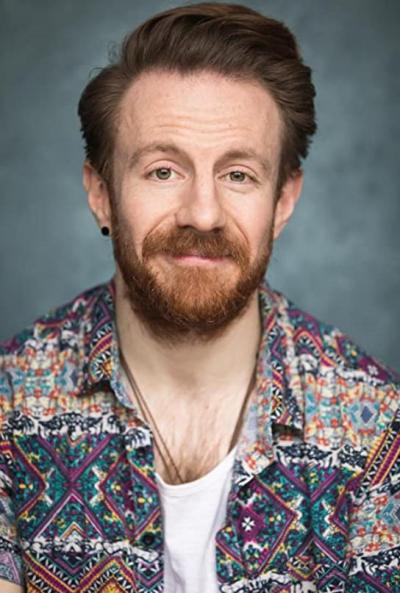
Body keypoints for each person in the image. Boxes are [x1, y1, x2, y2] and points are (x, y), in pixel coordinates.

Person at [1, 2, 399, 592]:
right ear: (101, 193)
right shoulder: (10, 406)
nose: (203, 214)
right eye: (164, 171)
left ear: (283, 202)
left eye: (238, 175)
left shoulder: (377, 429)